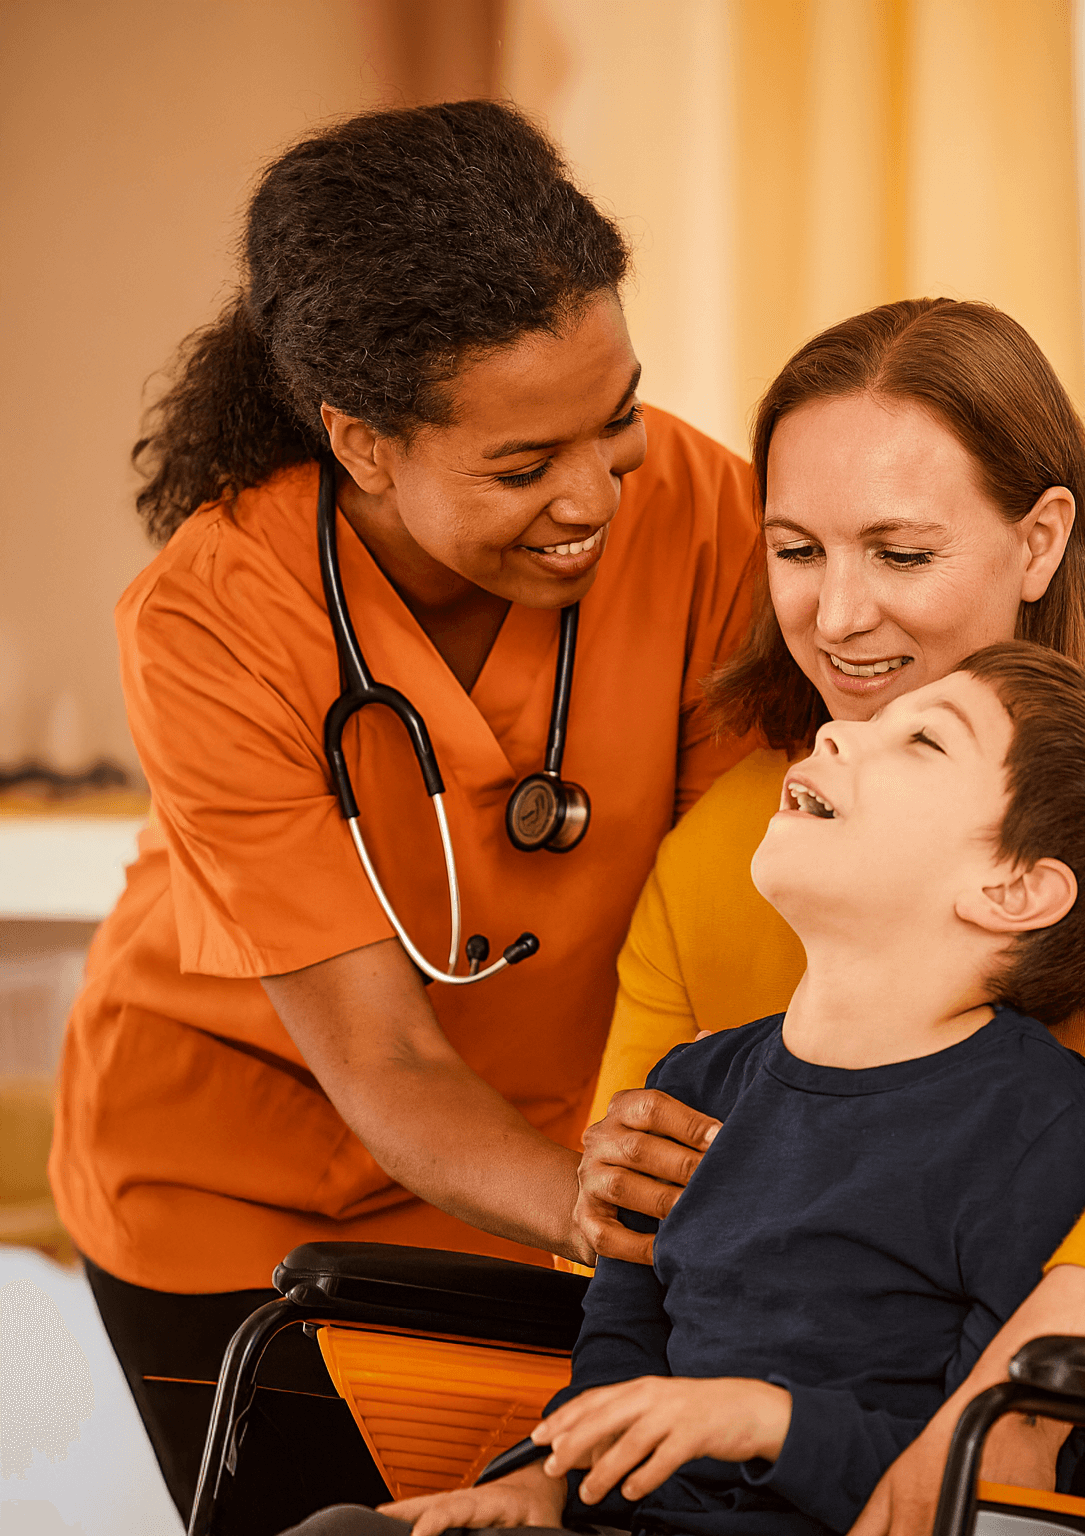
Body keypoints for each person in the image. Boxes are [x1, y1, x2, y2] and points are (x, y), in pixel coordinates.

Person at [48, 100, 761, 1525]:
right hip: (231, 1193)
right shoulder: (212, 614)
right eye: (517, 467)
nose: (592, 496)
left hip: (563, 1165)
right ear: (362, 442)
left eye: (612, 418)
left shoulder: (699, 512)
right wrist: (606, 1216)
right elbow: (379, 1056)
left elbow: (727, 929)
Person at [569, 299, 1085, 1532]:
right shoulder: (742, 830)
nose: (835, 619)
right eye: (795, 551)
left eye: (900, 555)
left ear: (1039, 539)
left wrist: (1012, 1408)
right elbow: (636, 1243)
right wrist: (612, 1176)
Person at [282, 640, 1085, 1536]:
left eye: (921, 741)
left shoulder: (1034, 1118)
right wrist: (538, 1481)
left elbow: (999, 1480)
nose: (838, 734)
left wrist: (767, 1421)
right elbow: (619, 1344)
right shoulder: (694, 1082)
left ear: (1012, 892)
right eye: (868, 722)